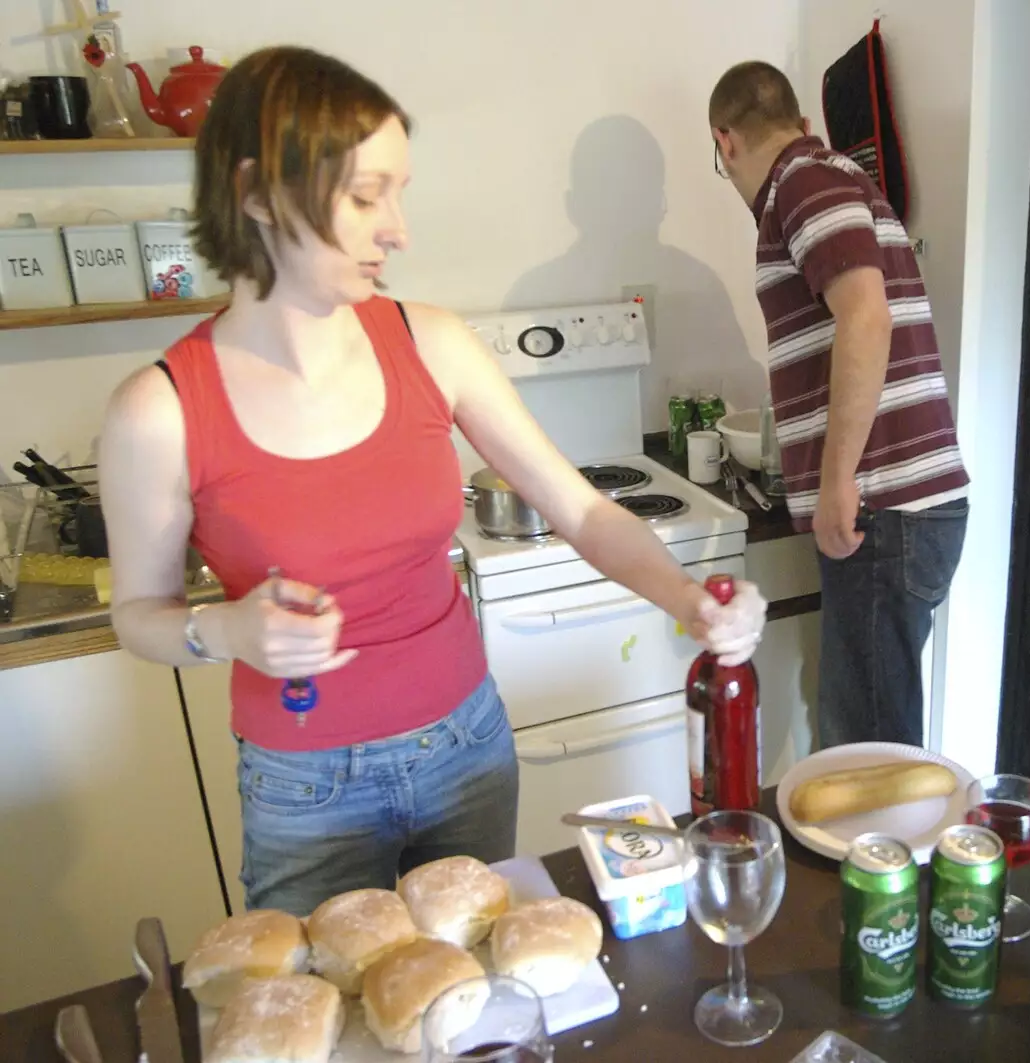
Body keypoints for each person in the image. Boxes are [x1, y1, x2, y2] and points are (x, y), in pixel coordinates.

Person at [99, 46, 766, 917]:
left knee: (469, 1008)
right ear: (258, 192)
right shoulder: (158, 410)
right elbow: (136, 617)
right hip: (305, 791)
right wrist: (224, 627)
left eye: (399, 192)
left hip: (466, 750)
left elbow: (582, 509)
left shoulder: (431, 342)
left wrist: (689, 599)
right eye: (367, 195)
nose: (399, 228)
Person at [707, 61, 968, 750]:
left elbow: (865, 317)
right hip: (898, 506)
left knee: (866, 750)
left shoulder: (802, 183)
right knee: (869, 735)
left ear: (724, 140)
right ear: (801, 121)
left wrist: (835, 479)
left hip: (883, 507)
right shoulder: (831, 175)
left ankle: (887, 855)